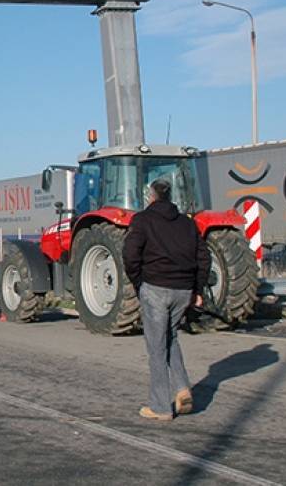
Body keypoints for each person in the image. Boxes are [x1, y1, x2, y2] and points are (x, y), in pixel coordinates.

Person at [122, 178, 211, 421]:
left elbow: (130, 254)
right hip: (183, 290)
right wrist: (198, 289)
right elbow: (203, 257)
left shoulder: (142, 220)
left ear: (151, 196)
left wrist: (138, 281)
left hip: (155, 288)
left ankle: (160, 406)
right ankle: (182, 388)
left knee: (156, 346)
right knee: (170, 337)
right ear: (171, 196)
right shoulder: (187, 223)